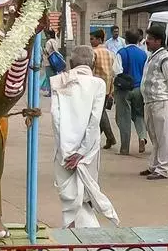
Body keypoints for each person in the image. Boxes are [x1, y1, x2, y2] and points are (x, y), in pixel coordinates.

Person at [50, 46, 120, 228]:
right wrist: (81, 152)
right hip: (88, 151)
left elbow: (56, 119)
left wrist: (67, 151)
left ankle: (73, 236)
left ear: (71, 63)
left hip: (64, 149)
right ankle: (85, 237)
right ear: (93, 63)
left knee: (69, 199)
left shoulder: (59, 81)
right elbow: (94, 120)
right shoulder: (98, 84)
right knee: (84, 195)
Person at [139, 26, 168, 180]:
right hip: (149, 101)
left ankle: (162, 169)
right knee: (154, 136)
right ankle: (154, 166)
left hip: (160, 101)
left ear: (158, 41)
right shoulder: (152, 56)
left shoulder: (165, 58)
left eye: (150, 39)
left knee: (163, 136)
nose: (147, 41)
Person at [114, 29, 148, 156]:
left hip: (124, 90)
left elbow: (117, 71)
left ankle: (124, 148)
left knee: (123, 118)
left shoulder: (121, 53)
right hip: (139, 88)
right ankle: (142, 137)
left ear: (126, 40)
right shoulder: (143, 54)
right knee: (139, 115)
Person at [90, 29, 117, 150]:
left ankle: (110, 137)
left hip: (96, 86)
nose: (91, 41)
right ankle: (99, 137)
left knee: (99, 112)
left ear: (99, 40)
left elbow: (90, 69)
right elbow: (113, 71)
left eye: (92, 39)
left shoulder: (94, 52)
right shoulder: (110, 53)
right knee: (100, 111)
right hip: (107, 87)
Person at [41, 29, 59, 97]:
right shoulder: (55, 41)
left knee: (49, 78)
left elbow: (47, 52)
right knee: (54, 77)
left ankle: (50, 92)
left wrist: (43, 49)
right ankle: (55, 91)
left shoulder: (48, 42)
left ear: (48, 35)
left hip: (49, 62)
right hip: (55, 62)